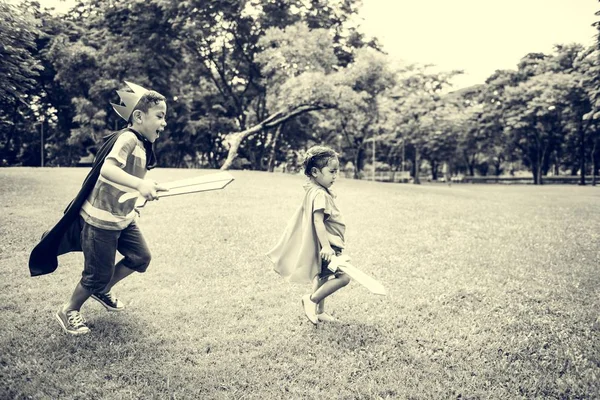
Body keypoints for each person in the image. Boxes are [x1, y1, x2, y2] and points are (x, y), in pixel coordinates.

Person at [29, 81, 168, 335]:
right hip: (100, 222)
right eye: (160, 116)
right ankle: (69, 309)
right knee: (96, 274)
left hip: (122, 219)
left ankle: (102, 290)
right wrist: (140, 184)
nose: (164, 123)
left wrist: (139, 197)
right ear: (139, 116)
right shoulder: (127, 138)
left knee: (141, 257)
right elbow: (108, 169)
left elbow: (124, 183)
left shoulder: (143, 146)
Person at [267, 145, 351, 325]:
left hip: (324, 245)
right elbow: (317, 221)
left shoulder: (313, 190)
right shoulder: (319, 194)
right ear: (315, 171)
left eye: (337, 172)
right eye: (332, 172)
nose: (335, 176)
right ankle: (311, 300)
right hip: (328, 246)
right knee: (344, 278)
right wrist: (327, 247)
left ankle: (320, 312)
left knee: (322, 278)